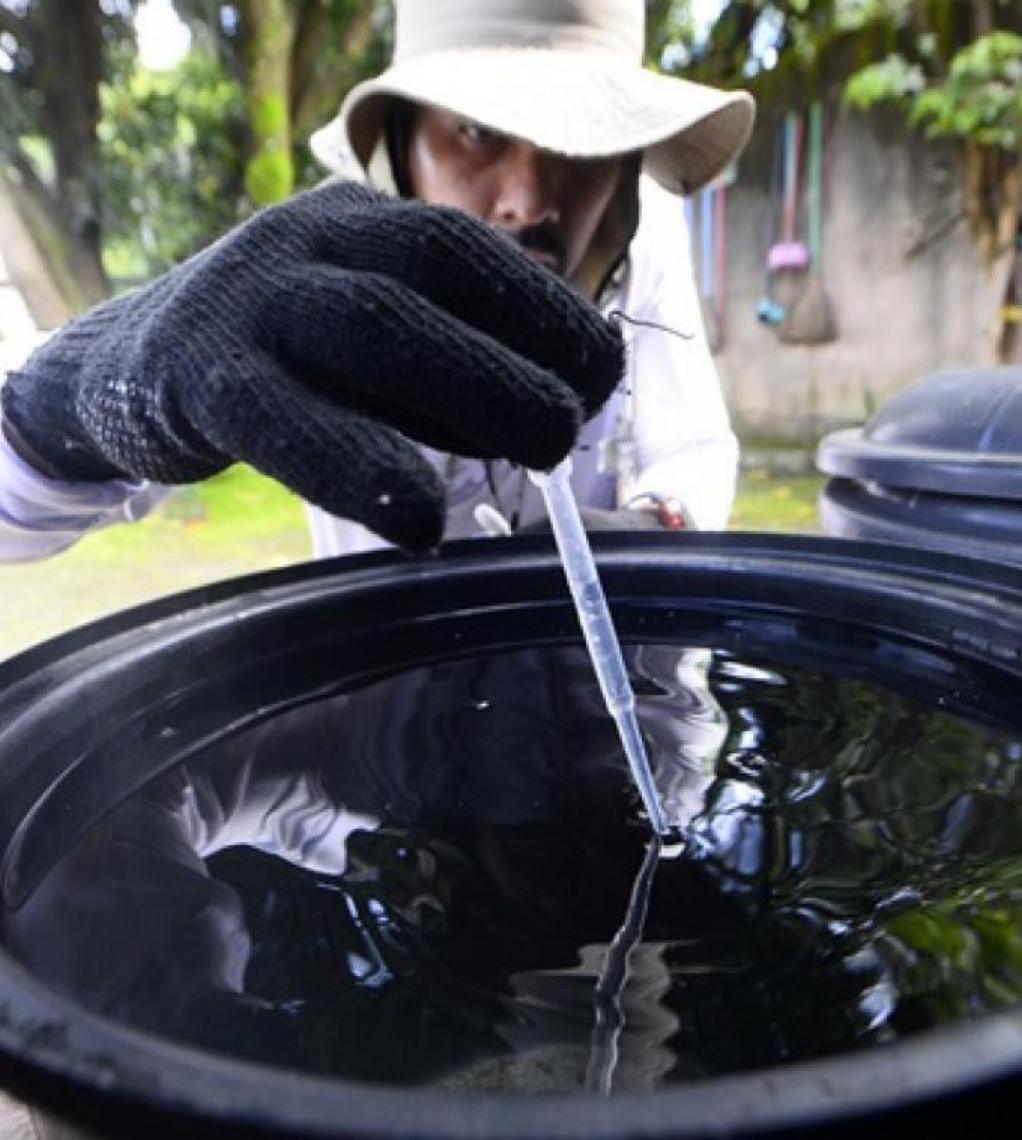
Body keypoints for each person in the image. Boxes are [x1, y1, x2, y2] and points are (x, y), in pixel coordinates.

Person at [0, 0, 754, 564]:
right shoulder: (307, 278)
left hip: (583, 687)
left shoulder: (648, 244)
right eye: (479, 133)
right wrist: (67, 405)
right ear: (399, 140)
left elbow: (693, 445)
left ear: (625, 166)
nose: (530, 200)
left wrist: (652, 524)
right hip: (380, 689)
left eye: (583, 143)